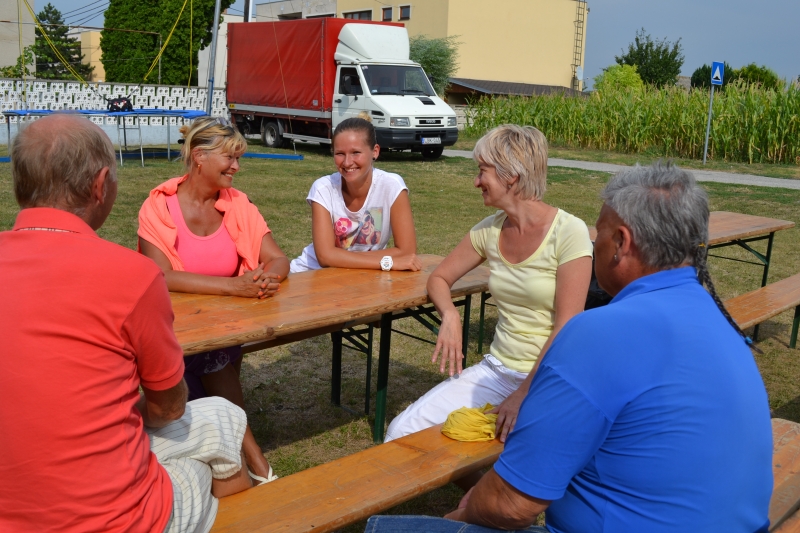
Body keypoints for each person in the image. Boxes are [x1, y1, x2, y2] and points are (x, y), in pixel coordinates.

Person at [366, 162, 774, 533]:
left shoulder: (600, 334)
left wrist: (458, 518)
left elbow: (511, 505)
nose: (594, 245)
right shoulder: (721, 323)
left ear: (621, 242)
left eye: (600, 234)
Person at [0, 114, 255, 533]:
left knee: (220, 417)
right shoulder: (132, 276)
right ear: (101, 185)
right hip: (116, 518)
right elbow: (168, 406)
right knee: (215, 440)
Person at [384, 124, 593, 443]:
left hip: (551, 379)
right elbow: (439, 277)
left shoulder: (569, 232)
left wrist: (523, 394)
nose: (476, 181)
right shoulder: (489, 230)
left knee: (522, 451)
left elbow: (567, 326)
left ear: (511, 176)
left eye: (483, 171)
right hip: (498, 371)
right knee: (401, 432)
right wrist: (450, 315)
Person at [138, 116, 288, 483]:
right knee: (212, 360)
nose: (236, 167)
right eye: (230, 158)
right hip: (174, 329)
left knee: (212, 362)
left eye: (238, 158)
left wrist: (266, 277)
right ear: (199, 157)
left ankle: (239, 457)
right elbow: (160, 276)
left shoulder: (237, 203)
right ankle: (256, 461)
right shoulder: (158, 207)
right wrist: (234, 288)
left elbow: (278, 258)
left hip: (226, 326)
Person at [289, 115, 421, 273]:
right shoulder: (323, 189)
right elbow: (325, 257)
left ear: (375, 152)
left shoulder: (392, 186)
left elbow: (407, 251)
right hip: (311, 273)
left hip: (361, 276)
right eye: (340, 153)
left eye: (355, 152)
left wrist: (341, 257)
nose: (347, 162)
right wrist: (387, 262)